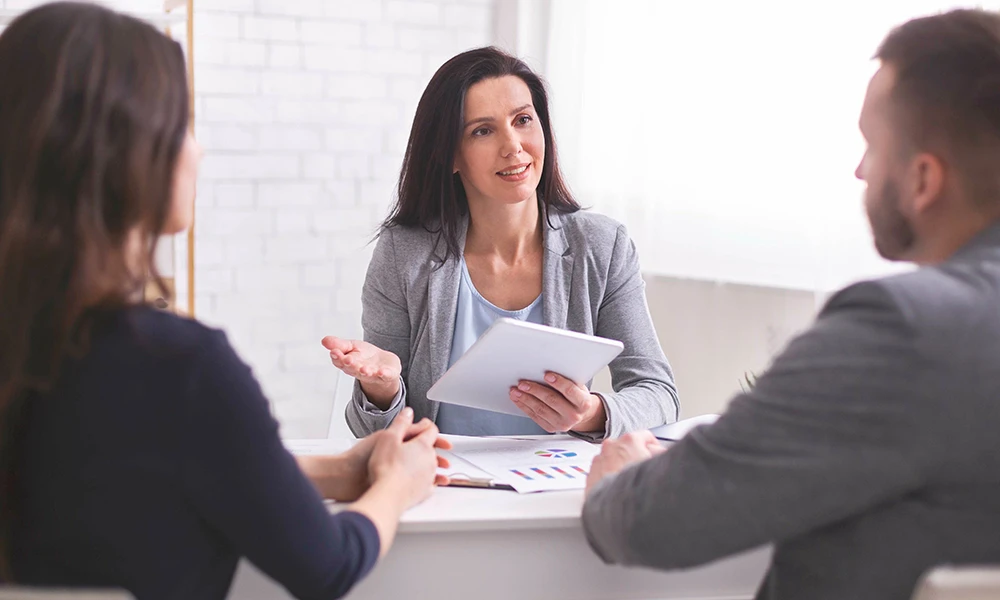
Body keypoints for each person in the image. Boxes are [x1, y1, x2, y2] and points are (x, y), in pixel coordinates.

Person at [0, 4, 449, 599]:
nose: (199, 150)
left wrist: (339, 471)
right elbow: (328, 566)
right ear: (127, 156)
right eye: (183, 124)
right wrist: (396, 485)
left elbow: (139, 475)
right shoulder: (180, 371)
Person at [580, 9, 1000, 600]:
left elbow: (658, 520)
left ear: (924, 180)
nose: (859, 169)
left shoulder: (903, 328)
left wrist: (616, 481)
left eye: (871, 146)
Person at [322, 47, 679, 440]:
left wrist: (591, 412)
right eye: (483, 130)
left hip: (552, 483)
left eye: (523, 120)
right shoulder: (402, 254)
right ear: (451, 156)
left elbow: (658, 394)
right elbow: (372, 433)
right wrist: (382, 388)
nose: (513, 146)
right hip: (443, 486)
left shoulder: (603, 247)